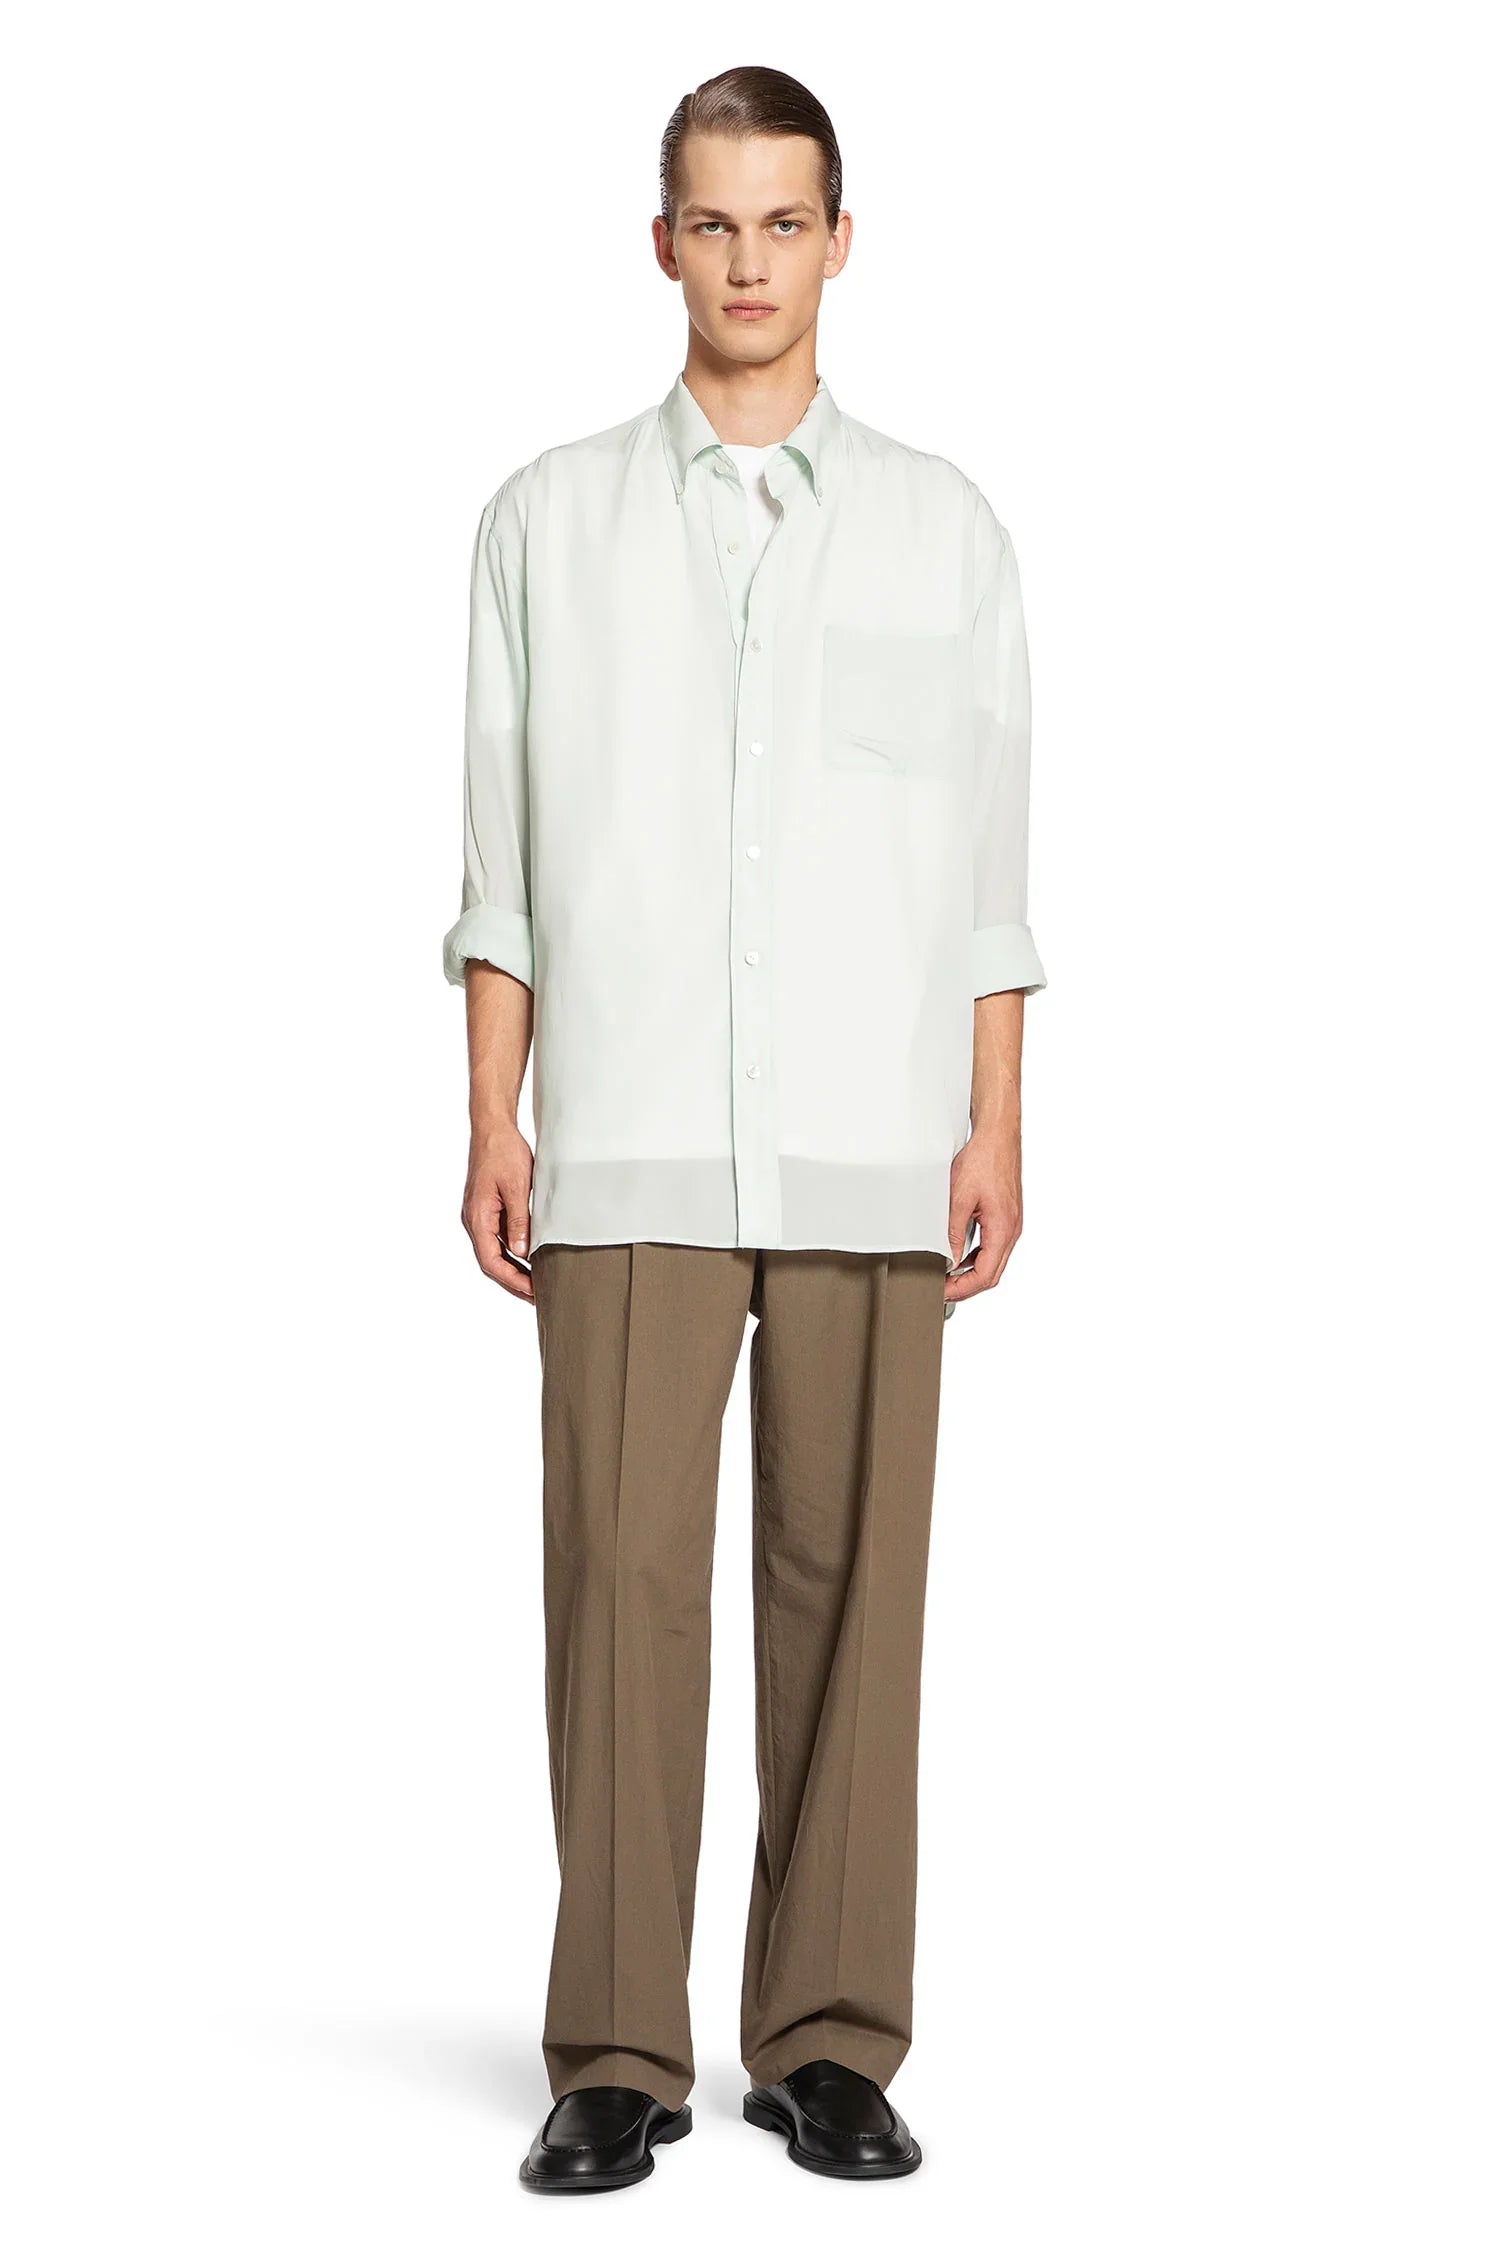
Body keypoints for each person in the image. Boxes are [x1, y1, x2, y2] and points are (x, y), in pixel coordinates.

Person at [443, 63, 1046, 2193]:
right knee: (617, 1584)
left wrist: (996, 1123)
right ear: (663, 245)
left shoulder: (946, 531)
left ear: (840, 242)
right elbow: (504, 856)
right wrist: (494, 1106)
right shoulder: (545, 522)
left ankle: (828, 2037)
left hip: (877, 1132)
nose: (749, 261)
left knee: (855, 1585)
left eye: (785, 221)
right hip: (625, 1134)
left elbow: (987, 871)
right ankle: (618, 2045)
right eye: (714, 221)